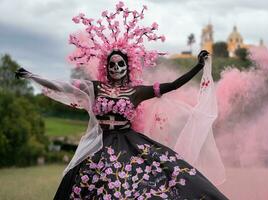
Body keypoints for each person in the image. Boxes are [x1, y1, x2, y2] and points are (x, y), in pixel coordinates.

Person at [15, 2, 228, 199]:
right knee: (82, 182)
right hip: (99, 144)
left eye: (120, 65)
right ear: (106, 68)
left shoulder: (136, 91)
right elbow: (63, 86)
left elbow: (172, 86)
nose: (116, 68)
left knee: (158, 176)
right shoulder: (95, 87)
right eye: (112, 65)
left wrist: (198, 67)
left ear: (128, 66)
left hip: (129, 143)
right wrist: (33, 76)